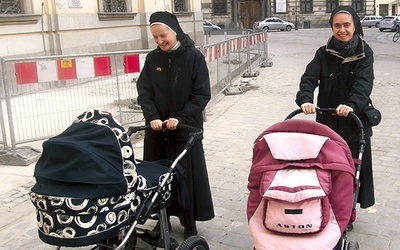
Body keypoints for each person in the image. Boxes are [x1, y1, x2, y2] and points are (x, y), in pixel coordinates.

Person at [295, 6, 376, 228]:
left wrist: (351, 105)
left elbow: (363, 84)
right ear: (332, 27)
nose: (342, 30)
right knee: (327, 168)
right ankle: (326, 205)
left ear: (354, 26)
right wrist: (305, 98)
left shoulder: (364, 52)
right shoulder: (324, 52)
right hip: (328, 121)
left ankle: (346, 212)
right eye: (337, 25)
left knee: (350, 170)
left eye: (346, 25)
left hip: (353, 121)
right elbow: (309, 77)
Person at [136, 11, 215, 239]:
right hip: (157, 131)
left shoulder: (194, 58)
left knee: (186, 179)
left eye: (163, 36)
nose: (160, 41)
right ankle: (162, 220)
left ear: (174, 31)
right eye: (156, 38)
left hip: (184, 131)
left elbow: (201, 95)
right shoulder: (152, 59)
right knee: (157, 179)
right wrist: (151, 116)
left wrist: (180, 118)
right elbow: (144, 92)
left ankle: (189, 222)